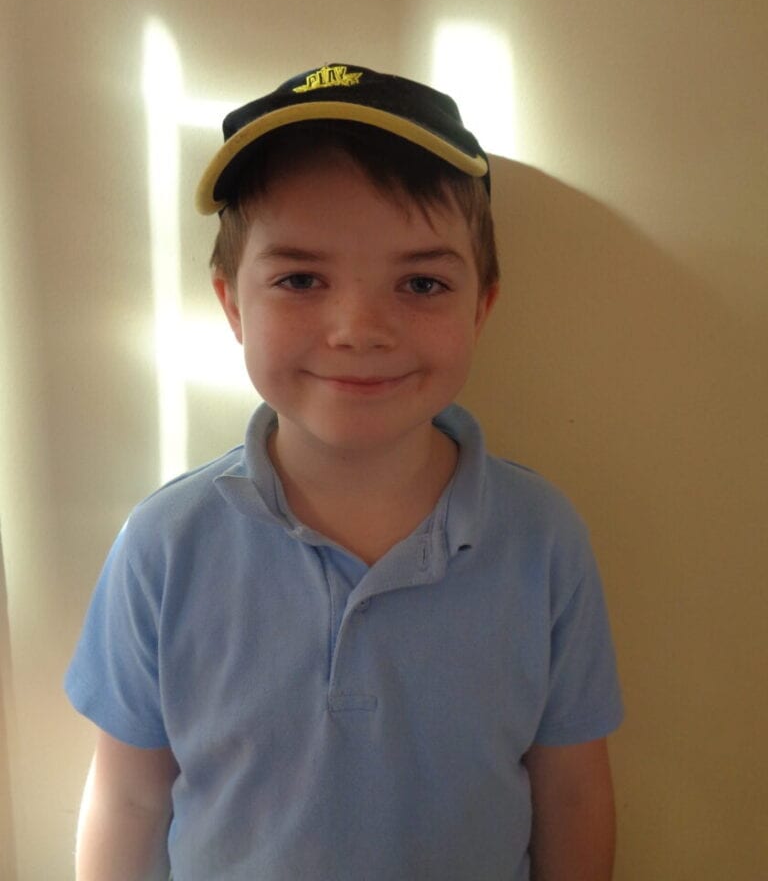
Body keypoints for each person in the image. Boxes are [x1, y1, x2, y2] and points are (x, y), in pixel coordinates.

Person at [66, 63, 623, 881]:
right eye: (300, 279)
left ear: (481, 307)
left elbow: (571, 796)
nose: (359, 328)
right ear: (232, 305)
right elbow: (128, 800)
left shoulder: (541, 540)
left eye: (421, 282)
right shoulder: (164, 545)